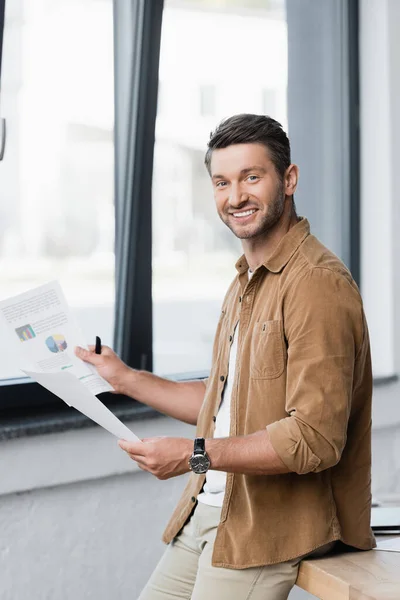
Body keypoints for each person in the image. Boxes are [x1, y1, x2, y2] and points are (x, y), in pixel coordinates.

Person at [75, 114, 376, 600]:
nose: (235, 197)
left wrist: (194, 455)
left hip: (270, 529)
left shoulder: (317, 284)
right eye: (222, 182)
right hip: (211, 509)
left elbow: (315, 439)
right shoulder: (245, 282)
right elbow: (225, 404)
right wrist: (124, 378)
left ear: (289, 179)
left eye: (251, 177)